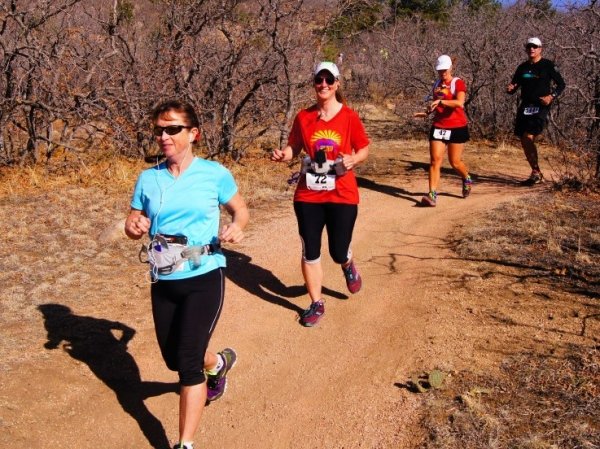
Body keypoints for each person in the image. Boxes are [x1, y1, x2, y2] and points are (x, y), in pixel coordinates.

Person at [124, 99, 249, 449]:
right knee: (174, 357)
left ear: (193, 133)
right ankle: (219, 363)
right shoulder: (148, 179)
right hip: (163, 280)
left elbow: (241, 210)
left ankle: (185, 443)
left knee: (187, 362)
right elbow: (133, 222)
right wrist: (134, 226)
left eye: (173, 129)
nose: (164, 136)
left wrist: (237, 227)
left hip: (204, 274)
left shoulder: (214, 174)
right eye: (160, 130)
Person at [271, 61, 370, 327]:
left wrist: (353, 160)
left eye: (329, 80)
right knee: (310, 250)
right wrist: (285, 155)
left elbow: (363, 149)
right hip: (308, 195)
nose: (323, 85)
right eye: (319, 80)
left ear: (337, 83)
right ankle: (316, 303)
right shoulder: (304, 117)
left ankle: (347, 264)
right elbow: (294, 145)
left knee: (337, 251)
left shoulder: (349, 116)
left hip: (342, 194)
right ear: (314, 83)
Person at [507, 37, 566, 185]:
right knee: (523, 139)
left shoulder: (548, 65)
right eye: (529, 47)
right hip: (525, 105)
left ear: (540, 49)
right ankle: (536, 172)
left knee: (528, 136)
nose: (531, 49)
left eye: (534, 47)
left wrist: (551, 96)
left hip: (540, 105)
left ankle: (536, 173)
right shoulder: (522, 67)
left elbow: (561, 84)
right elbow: (514, 86)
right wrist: (510, 89)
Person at [420, 54, 472, 207]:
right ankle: (432, 194)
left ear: (450, 68)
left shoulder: (458, 83)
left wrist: (442, 101)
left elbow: (460, 103)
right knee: (435, 160)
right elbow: (437, 105)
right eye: (439, 70)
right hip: (439, 125)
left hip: (457, 126)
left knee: (454, 162)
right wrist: (427, 111)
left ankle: (466, 177)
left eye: (444, 70)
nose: (442, 73)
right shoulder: (436, 84)